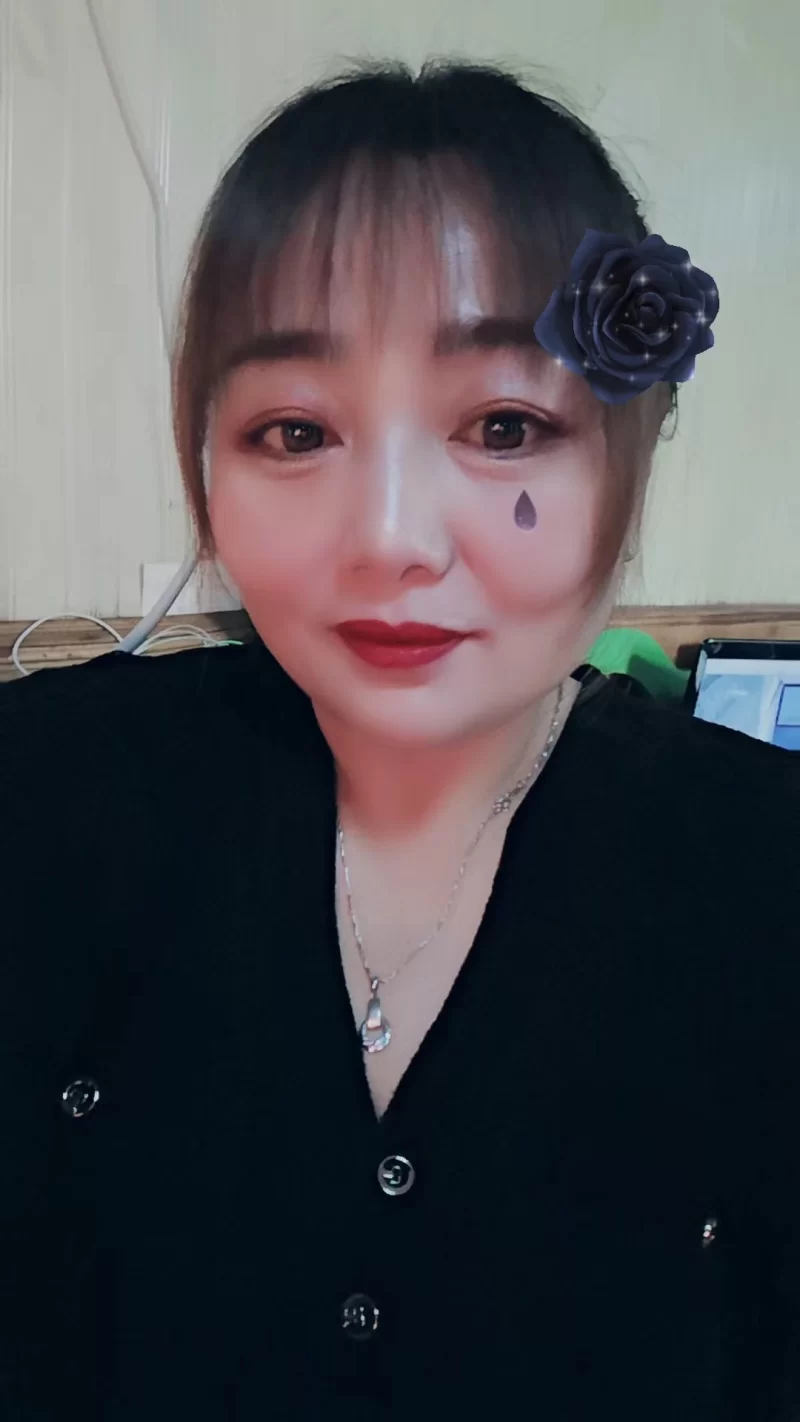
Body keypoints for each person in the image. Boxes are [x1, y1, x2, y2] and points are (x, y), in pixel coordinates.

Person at [1, 60, 797, 1422]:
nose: (389, 538)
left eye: (503, 426)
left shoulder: (763, 872)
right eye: (295, 430)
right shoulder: (45, 793)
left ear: (629, 454)